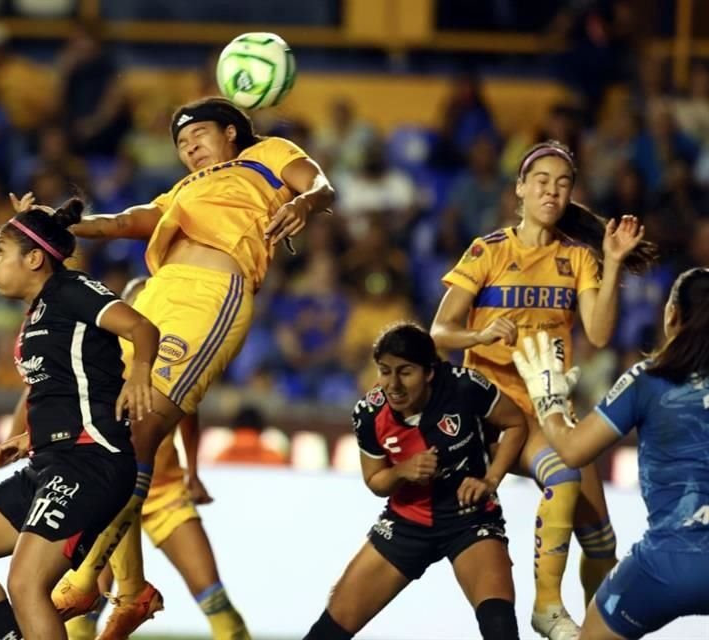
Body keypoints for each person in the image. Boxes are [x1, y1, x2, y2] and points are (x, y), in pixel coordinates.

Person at [18, 95, 334, 638]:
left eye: (199, 136)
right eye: (181, 144)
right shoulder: (183, 190)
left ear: (232, 133)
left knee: (141, 426)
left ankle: (92, 574)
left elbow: (322, 185)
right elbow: (123, 222)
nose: (189, 148)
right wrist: (60, 226)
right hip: (159, 294)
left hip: (212, 291)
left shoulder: (271, 155)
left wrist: (305, 204)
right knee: (109, 431)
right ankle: (133, 588)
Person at [430, 140, 658, 639]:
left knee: (601, 541)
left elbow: (598, 334)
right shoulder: (488, 250)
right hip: (494, 412)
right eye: (541, 181)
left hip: (551, 410)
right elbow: (439, 332)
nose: (551, 191)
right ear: (519, 189)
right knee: (564, 478)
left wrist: (613, 260)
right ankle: (548, 607)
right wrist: (480, 335)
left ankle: (597, 631)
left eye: (562, 183)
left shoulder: (577, 259)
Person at [0, 196, 160, 640]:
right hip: (49, 462)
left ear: (34, 258)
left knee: (26, 584)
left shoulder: (72, 290)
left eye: (1, 251)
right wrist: (25, 436)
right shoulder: (37, 314)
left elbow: (142, 328)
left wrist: (140, 376)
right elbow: (56, 389)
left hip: (91, 461)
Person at [512, 268, 709, 639]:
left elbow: (572, 451)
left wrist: (549, 400)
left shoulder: (648, 379)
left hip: (663, 567)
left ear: (671, 316)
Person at [304, 322, 528, 639]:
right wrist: (401, 471)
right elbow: (375, 480)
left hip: (470, 518)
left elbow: (516, 424)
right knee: (328, 632)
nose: (392, 384)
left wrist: (491, 479)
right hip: (406, 523)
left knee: (500, 628)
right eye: (384, 371)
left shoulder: (464, 387)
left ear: (429, 372)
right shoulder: (368, 414)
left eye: (405, 372)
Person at [63, 276, 250, 639]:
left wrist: (192, 474)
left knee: (215, 600)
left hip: (163, 492)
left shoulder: (173, 367)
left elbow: (188, 413)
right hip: (115, 494)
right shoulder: (104, 359)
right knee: (85, 609)